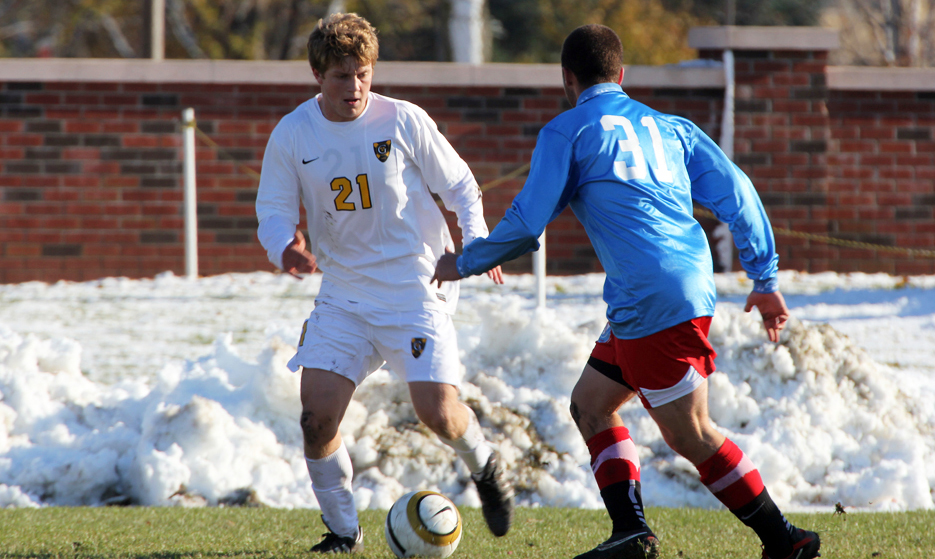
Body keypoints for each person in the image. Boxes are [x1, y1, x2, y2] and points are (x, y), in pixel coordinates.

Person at [432, 24, 820, 559]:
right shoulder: (671, 127)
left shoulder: (567, 131)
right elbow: (739, 193)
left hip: (649, 298)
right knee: (591, 405)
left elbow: (526, 225)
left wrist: (465, 261)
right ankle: (631, 531)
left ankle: (785, 540)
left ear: (566, 79)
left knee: (691, 434)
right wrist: (764, 278)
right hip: (676, 287)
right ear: (622, 75)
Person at [255, 12, 514, 554]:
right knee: (315, 418)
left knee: (438, 414)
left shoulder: (404, 121)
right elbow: (274, 208)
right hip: (344, 294)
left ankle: (486, 467)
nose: (354, 87)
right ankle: (344, 533)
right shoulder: (293, 132)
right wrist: (285, 247)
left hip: (416, 286)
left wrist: (477, 243)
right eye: (341, 76)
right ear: (316, 75)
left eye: (363, 74)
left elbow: (462, 187)